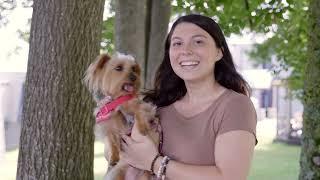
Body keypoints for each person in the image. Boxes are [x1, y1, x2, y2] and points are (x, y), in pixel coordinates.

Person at [120, 14, 257, 180]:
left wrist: (154, 162)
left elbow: (230, 177)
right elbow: (121, 153)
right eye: (177, 43)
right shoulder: (156, 106)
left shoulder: (235, 106)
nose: (186, 51)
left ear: (219, 52)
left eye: (198, 41)